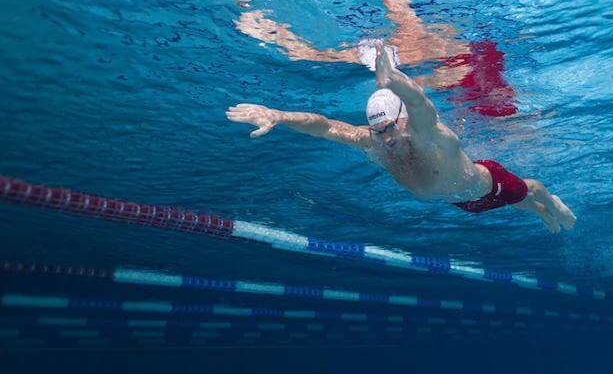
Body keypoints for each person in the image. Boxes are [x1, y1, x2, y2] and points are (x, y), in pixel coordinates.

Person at [227, 41, 575, 232]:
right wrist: (278, 115)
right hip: (462, 202)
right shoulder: (374, 140)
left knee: (528, 191)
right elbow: (323, 125)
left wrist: (391, 80)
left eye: (390, 128)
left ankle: (551, 204)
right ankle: (538, 212)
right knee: (518, 206)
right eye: (378, 131)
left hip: (487, 181)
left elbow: (419, 101)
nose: (386, 138)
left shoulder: (426, 131)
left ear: (402, 119)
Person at [234, 0, 518, 117]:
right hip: (424, 53)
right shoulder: (465, 74)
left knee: (396, 15)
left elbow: (425, 82)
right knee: (320, 55)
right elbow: (415, 85)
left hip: (433, 49)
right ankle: (264, 29)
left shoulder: (481, 66)